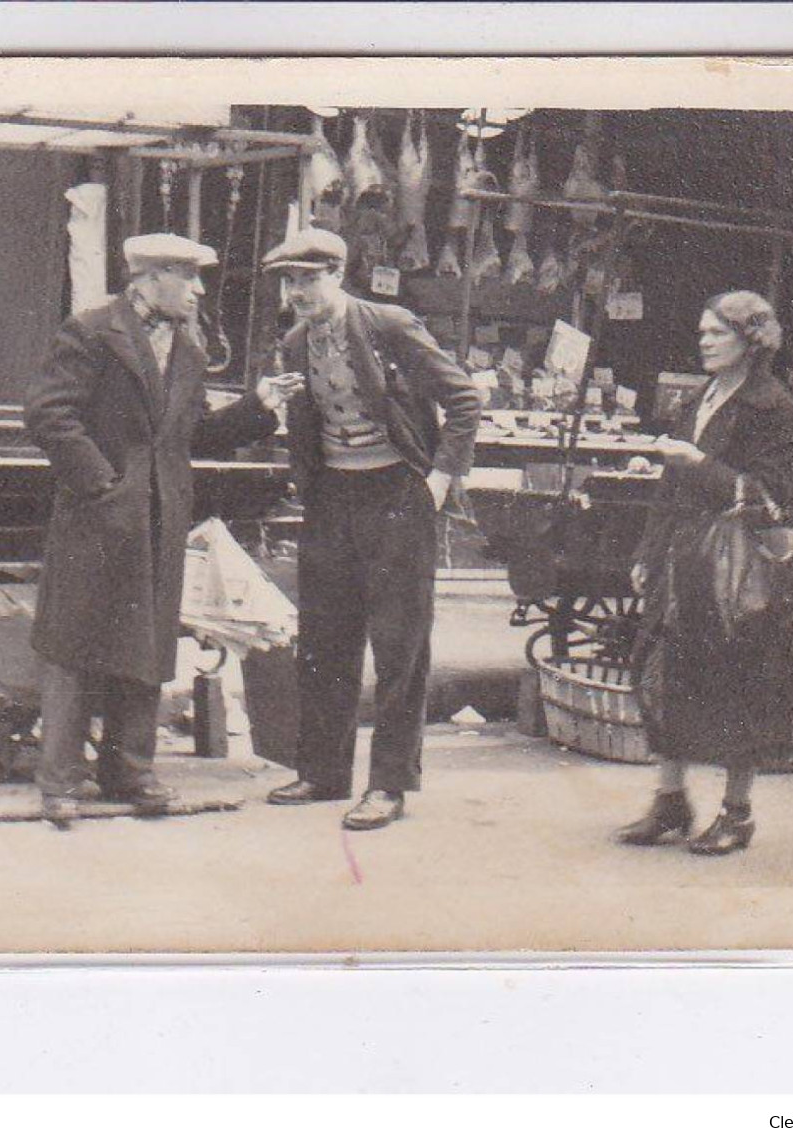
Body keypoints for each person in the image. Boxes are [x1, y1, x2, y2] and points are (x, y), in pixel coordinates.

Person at [25, 233, 305, 826]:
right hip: (95, 518)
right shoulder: (92, 329)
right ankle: (61, 781)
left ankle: (130, 771)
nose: (201, 291)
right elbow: (49, 413)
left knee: (145, 646)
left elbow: (194, 434)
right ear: (152, 278)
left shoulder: (190, 352)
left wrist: (258, 406)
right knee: (76, 649)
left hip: (159, 519)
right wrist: (102, 484)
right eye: (191, 277)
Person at [260, 228, 482, 831]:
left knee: (398, 644)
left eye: (308, 278)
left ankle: (388, 784)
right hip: (332, 497)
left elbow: (464, 399)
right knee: (325, 638)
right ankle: (324, 772)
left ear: (337, 274)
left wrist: (437, 481)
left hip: (396, 494)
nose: (298, 291)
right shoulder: (295, 343)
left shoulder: (388, 324)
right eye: (289, 280)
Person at [618, 291, 793, 855]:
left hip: (736, 568)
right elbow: (669, 488)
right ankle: (670, 799)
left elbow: (778, 498)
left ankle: (738, 812)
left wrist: (700, 465)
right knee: (663, 671)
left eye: (716, 333)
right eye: (702, 331)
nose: (703, 340)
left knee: (736, 681)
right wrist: (646, 555)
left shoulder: (772, 406)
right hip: (682, 559)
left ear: (751, 341)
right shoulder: (698, 398)